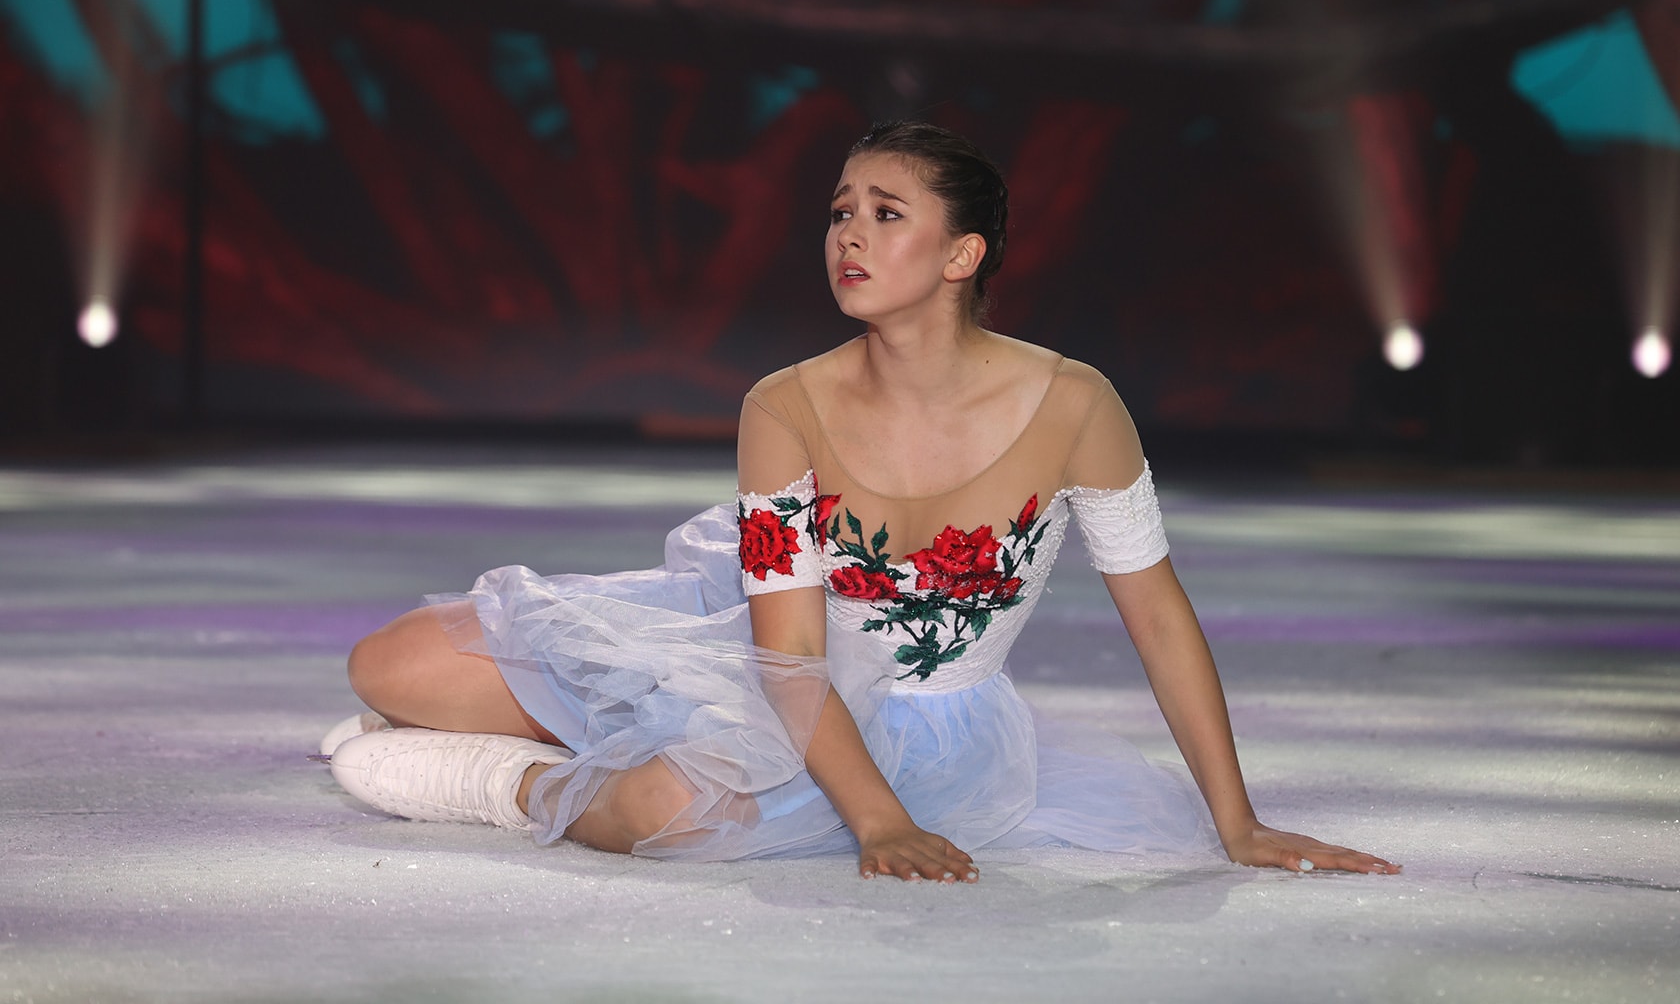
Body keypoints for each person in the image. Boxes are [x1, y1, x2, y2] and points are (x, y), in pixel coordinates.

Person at [326, 120, 1400, 883]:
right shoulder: (782, 405)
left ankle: (507, 784)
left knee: (671, 812)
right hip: (773, 662)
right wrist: (877, 826)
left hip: (932, 730)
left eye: (887, 214)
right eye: (841, 211)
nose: (849, 234)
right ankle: (600, 740)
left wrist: (1238, 822)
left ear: (962, 254)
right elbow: (787, 652)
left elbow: (1159, 618)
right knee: (389, 664)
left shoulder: (1077, 405)